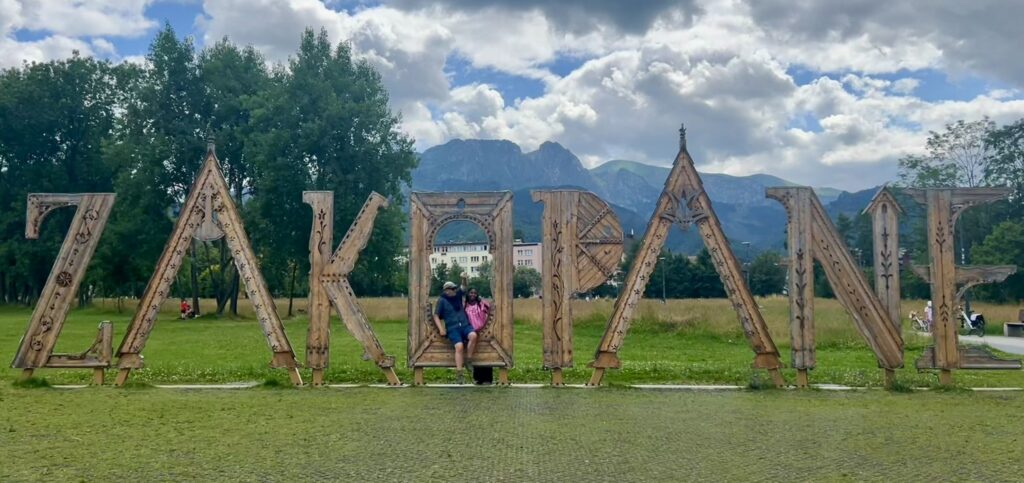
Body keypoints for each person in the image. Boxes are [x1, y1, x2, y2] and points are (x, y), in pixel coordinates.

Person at [433, 273, 477, 384]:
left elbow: (464, 286)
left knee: (473, 336)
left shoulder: (457, 295)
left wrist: (463, 278)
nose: (454, 290)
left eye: (454, 288)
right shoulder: (442, 300)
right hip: (453, 328)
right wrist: (441, 329)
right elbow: (436, 315)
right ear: (446, 290)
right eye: (452, 289)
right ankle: (459, 374)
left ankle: (469, 360)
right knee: (459, 346)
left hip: (464, 325)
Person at [464, 288, 493, 385]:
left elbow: (490, 309)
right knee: (476, 355)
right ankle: (478, 379)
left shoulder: (480, 304)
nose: (473, 294)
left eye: (475, 293)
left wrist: (482, 300)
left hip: (483, 332)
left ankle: (487, 379)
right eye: (471, 292)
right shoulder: (465, 306)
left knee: (486, 354)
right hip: (472, 333)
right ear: (468, 294)